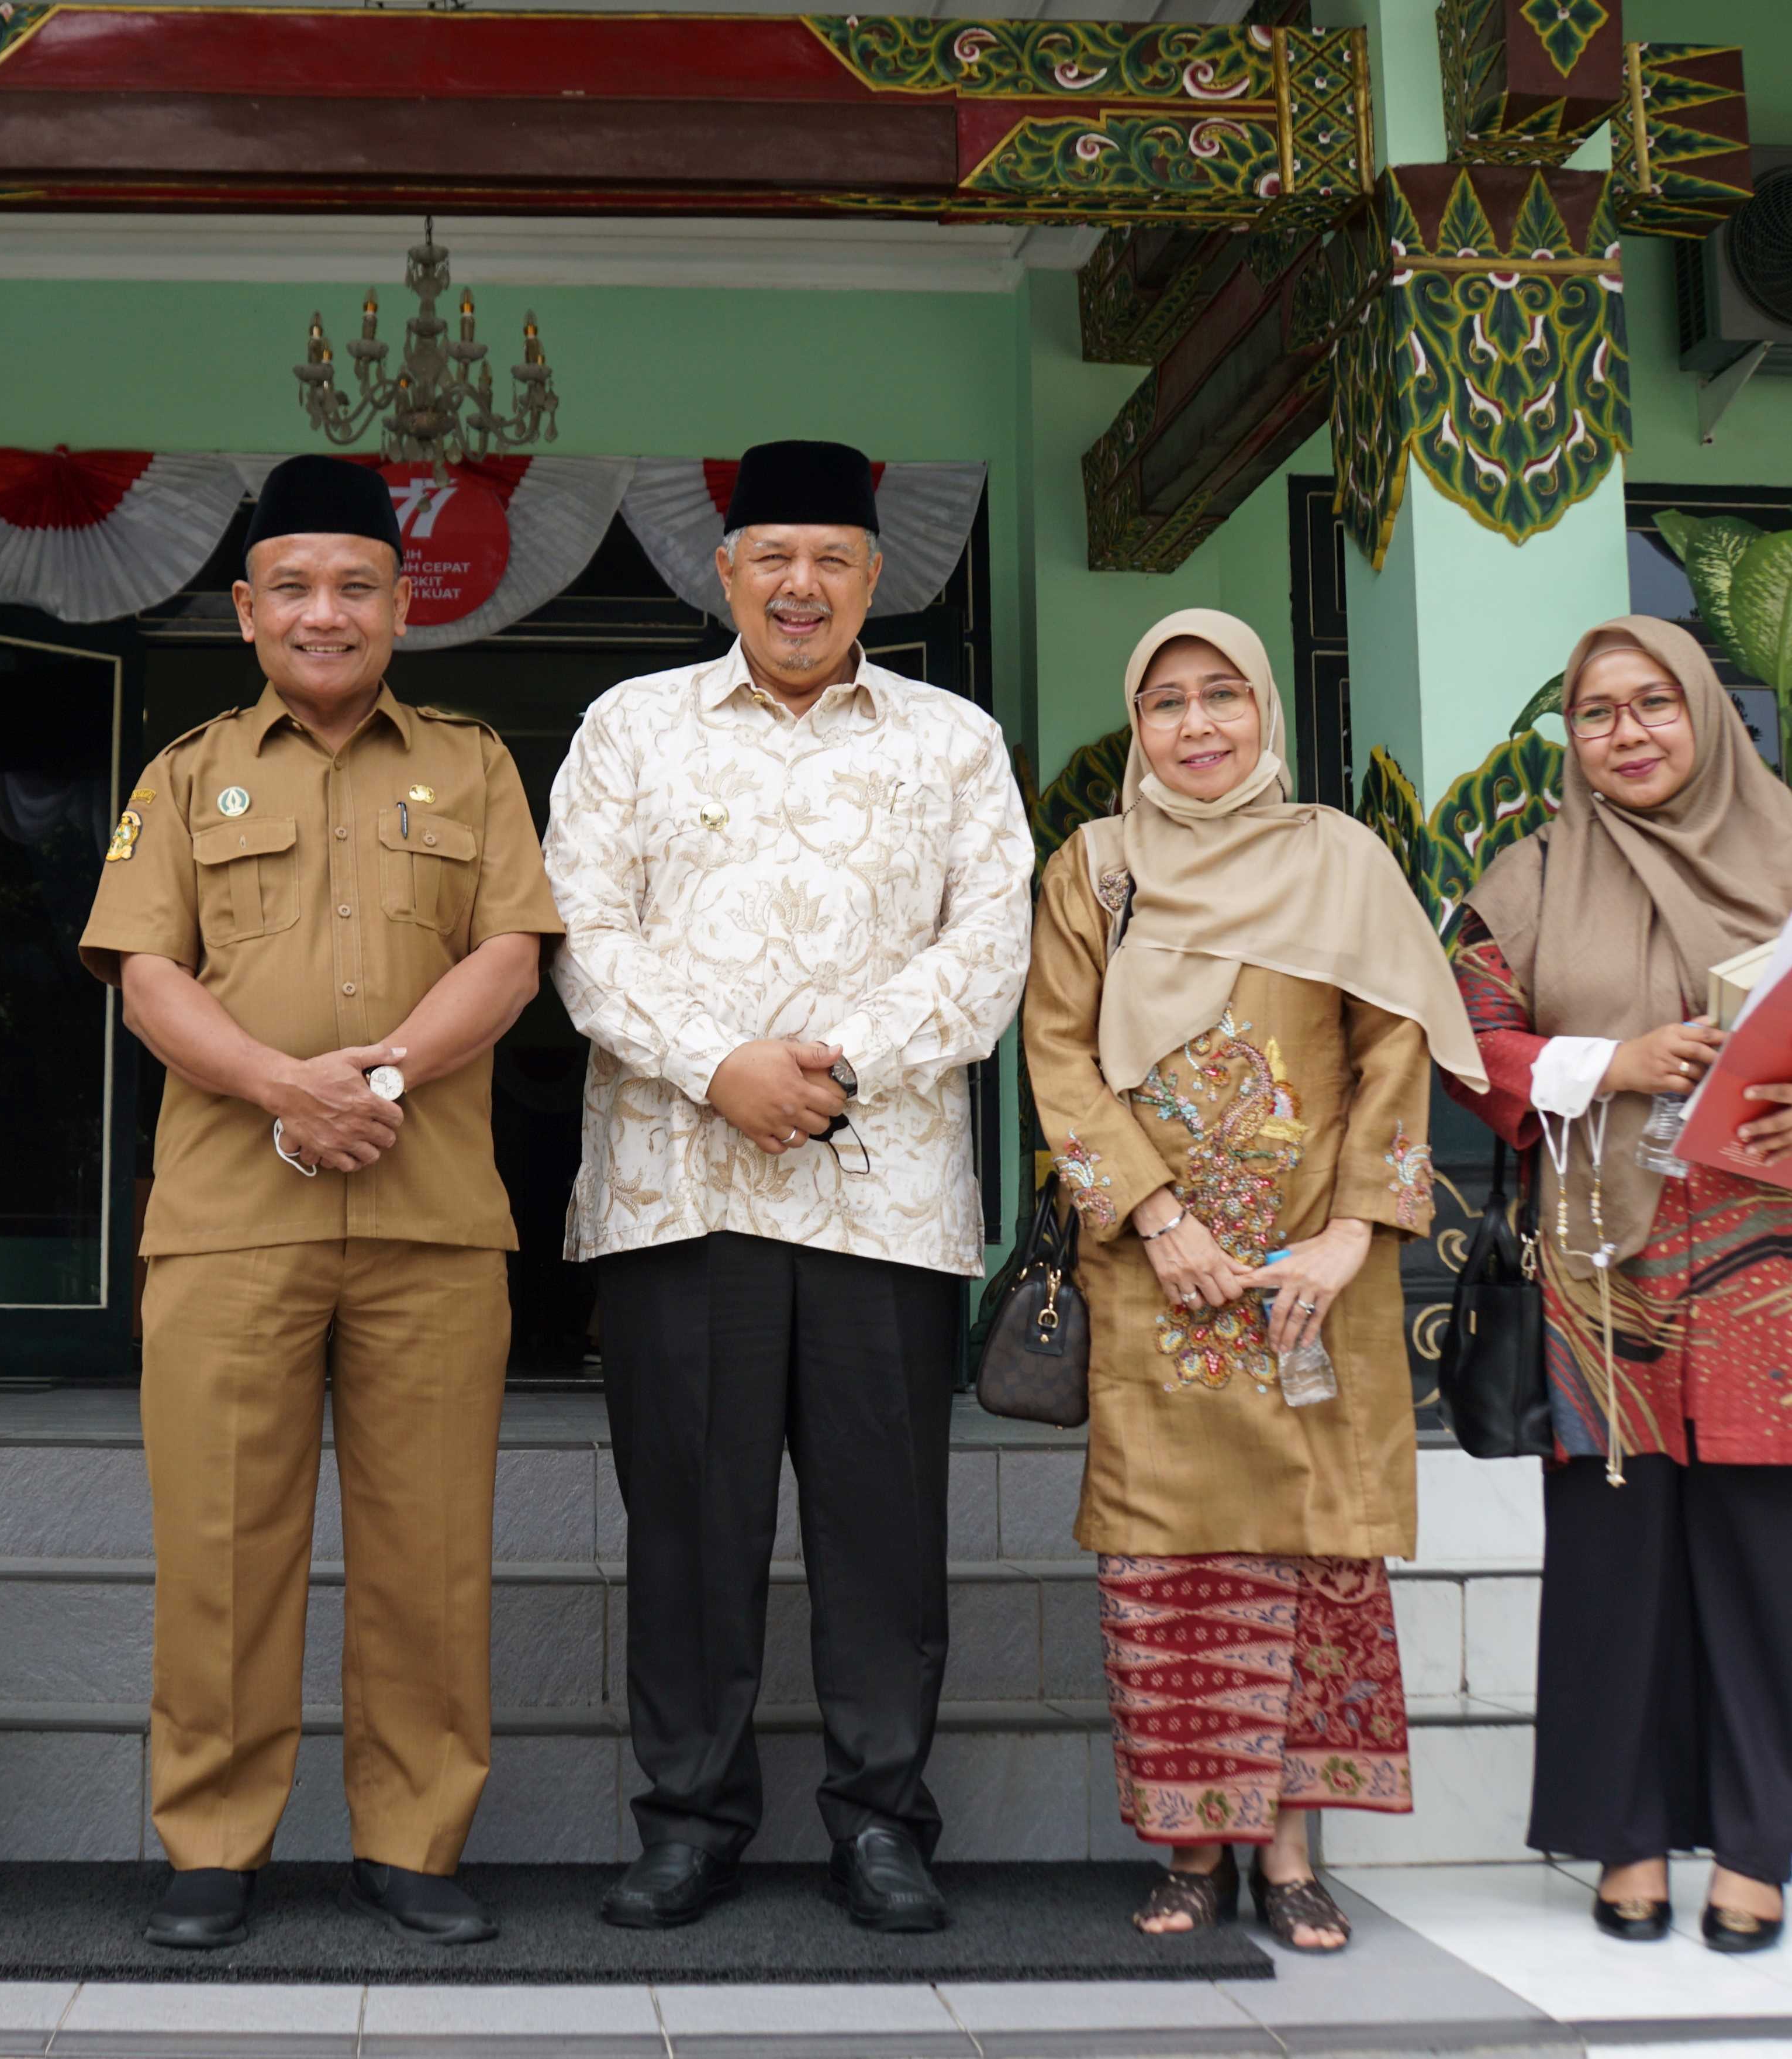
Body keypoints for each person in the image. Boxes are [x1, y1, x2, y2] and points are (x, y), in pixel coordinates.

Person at [545, 439, 1032, 1933]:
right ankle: (688, 1818)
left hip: (880, 1198)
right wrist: (717, 1070)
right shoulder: (630, 727)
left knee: (881, 1533)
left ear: (876, 577)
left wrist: (834, 1064)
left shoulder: (951, 741)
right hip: (676, 1195)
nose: (800, 584)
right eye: (772, 557)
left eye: (831, 557)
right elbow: (578, 932)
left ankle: (881, 1820)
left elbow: (987, 943)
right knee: (688, 1525)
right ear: (725, 572)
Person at [78, 455, 561, 1951]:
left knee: (430, 1550)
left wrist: (385, 1078)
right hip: (230, 1219)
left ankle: (414, 1844)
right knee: (220, 1546)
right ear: (244, 608)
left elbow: (511, 956)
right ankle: (210, 1843)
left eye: (355, 584)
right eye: (291, 585)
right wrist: (290, 1089)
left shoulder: (473, 764)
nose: (324, 612)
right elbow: (146, 978)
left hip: (427, 1222)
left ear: (403, 604)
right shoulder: (179, 772)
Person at [1448, 615, 1792, 1955]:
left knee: (1762, 1560)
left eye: (1652, 704)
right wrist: (1613, 1063)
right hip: (1605, 1268)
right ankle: (1628, 1834)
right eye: (1594, 715)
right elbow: (1469, 1043)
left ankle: (1757, 1845)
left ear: (1703, 712)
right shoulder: (1531, 876)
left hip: (1765, 1273)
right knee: (1611, 1567)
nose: (1625, 734)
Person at [1020, 609, 1482, 1953]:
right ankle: (1187, 1850)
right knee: (1170, 1562)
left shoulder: (1339, 859)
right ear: (1137, 726)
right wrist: (1155, 1216)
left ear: (1266, 709)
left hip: (1314, 1276)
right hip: (1159, 1279)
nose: (1198, 725)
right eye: (1165, 703)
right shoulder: (1095, 868)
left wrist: (1350, 1234)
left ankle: (1287, 1854)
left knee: (1314, 1554)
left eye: (1223, 695)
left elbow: (1393, 1051)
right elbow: (1056, 1056)